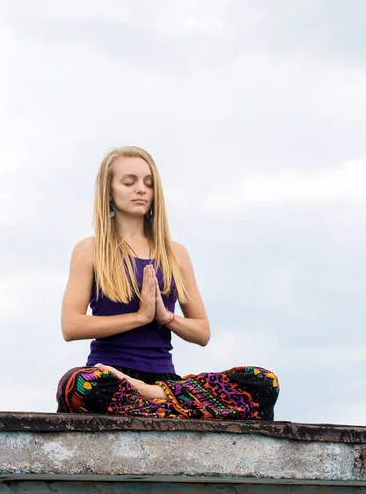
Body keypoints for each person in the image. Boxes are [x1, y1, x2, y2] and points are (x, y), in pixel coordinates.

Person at [56, 146, 279, 420]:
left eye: (148, 184)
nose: (141, 189)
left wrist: (166, 317)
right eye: (129, 182)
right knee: (77, 385)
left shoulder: (176, 254)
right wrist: (139, 317)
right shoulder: (89, 250)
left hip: (164, 383)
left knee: (263, 382)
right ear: (109, 191)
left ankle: (152, 397)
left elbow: (202, 332)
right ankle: (178, 408)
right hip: (110, 378)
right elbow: (71, 325)